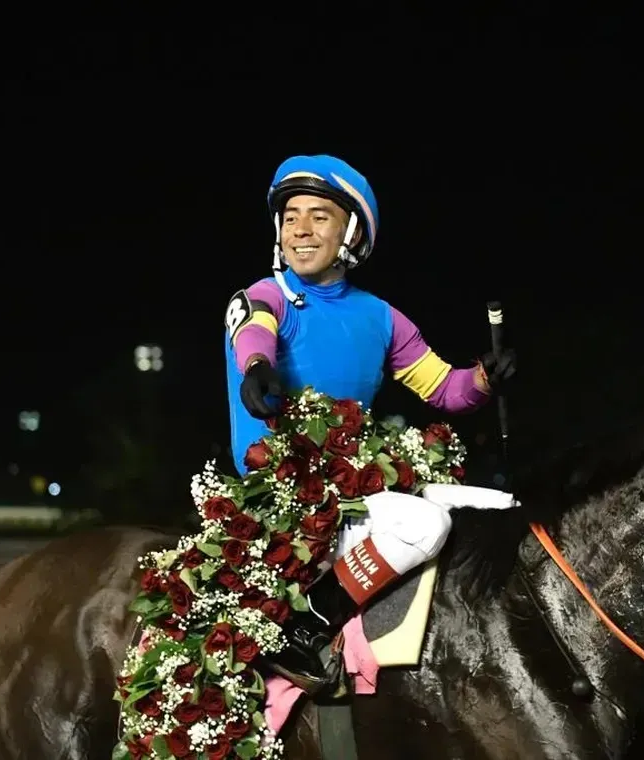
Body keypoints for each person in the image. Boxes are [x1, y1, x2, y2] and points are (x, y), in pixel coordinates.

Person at [222, 154, 518, 692]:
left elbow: (444, 390)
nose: (300, 231)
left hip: (353, 488)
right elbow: (254, 334)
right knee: (425, 526)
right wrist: (257, 369)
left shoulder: (383, 317)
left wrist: (484, 378)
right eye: (290, 217)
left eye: (318, 216)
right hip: (285, 498)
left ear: (351, 232)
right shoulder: (264, 297)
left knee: (504, 507)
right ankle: (307, 625)